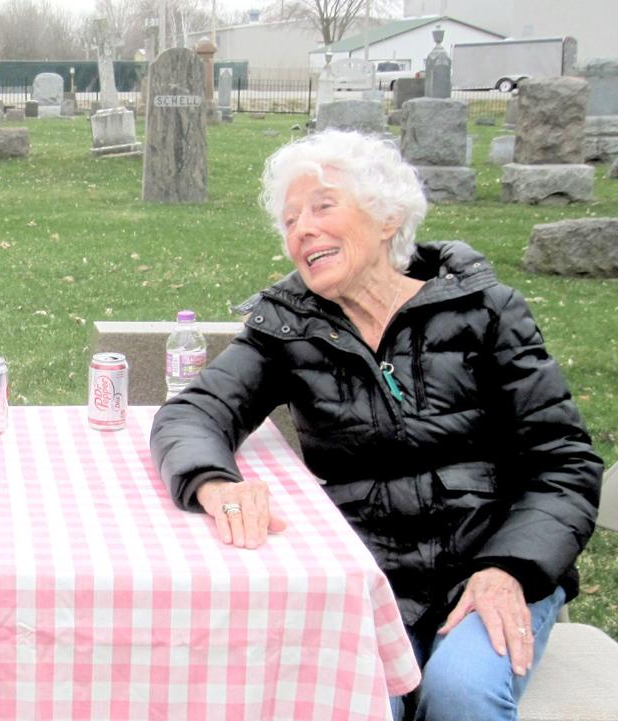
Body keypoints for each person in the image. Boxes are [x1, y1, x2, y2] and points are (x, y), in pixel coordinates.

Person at [150, 130, 601, 721]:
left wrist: (507, 570)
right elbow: (192, 410)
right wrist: (215, 483)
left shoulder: (487, 312)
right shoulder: (289, 327)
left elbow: (564, 463)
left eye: (322, 206)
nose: (301, 230)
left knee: (460, 693)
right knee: (352, 705)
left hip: (489, 561)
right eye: (289, 221)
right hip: (367, 580)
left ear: (388, 218)